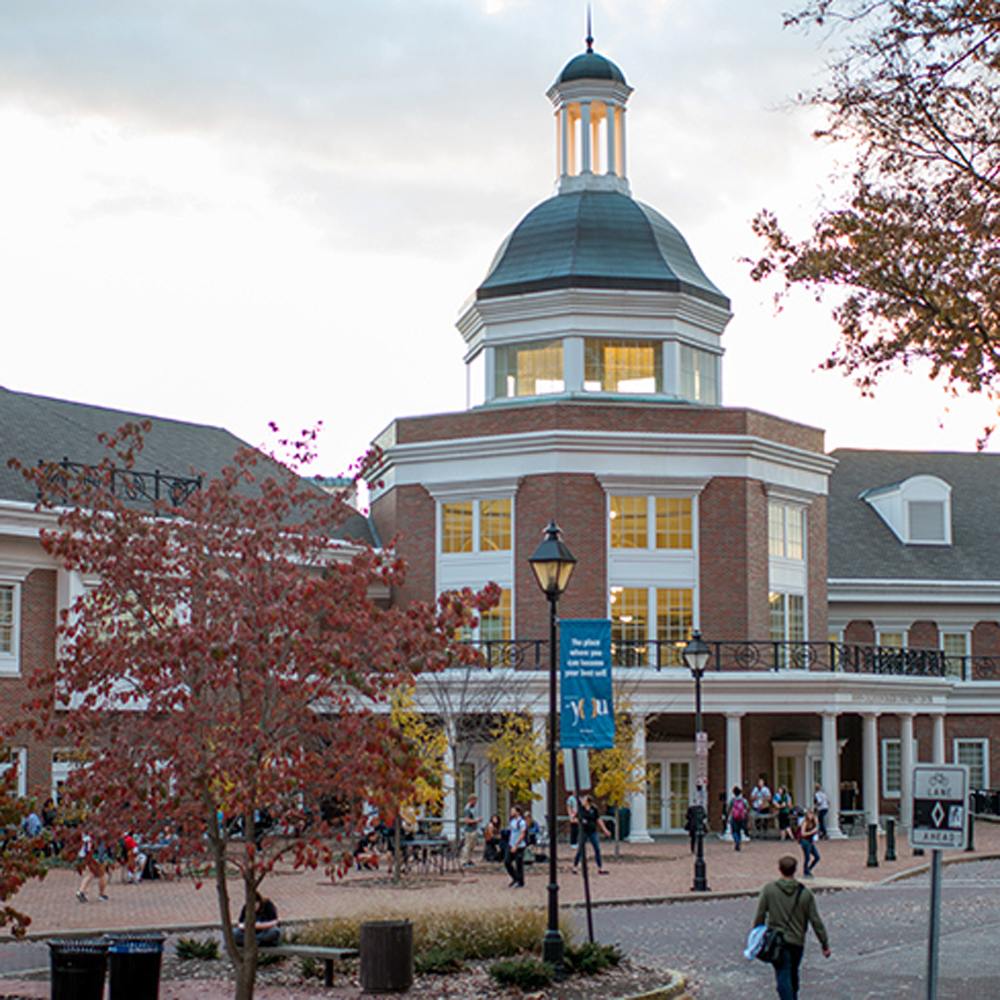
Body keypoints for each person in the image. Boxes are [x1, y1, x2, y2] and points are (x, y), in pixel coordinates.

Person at [753, 855, 831, 1000]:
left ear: (779, 869)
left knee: (783, 975)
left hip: (777, 941)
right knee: (792, 973)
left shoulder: (769, 890)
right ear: (795, 870)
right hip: (797, 942)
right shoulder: (805, 893)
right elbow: (816, 921)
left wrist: (756, 938)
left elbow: (760, 916)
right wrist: (824, 943)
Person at [572, 794, 610, 874]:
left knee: (597, 849)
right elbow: (574, 819)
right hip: (584, 832)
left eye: (584, 800)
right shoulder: (581, 809)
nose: (583, 801)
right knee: (581, 849)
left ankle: (600, 868)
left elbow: (598, 820)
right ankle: (575, 867)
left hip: (593, 832)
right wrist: (581, 821)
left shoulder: (594, 809)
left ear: (588, 801)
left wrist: (605, 830)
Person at [76, 832, 110, 902]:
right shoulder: (93, 842)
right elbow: (91, 852)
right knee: (102, 875)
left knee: (90, 875)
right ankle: (101, 894)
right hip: (95, 860)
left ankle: (81, 891)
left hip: (88, 859)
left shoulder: (88, 840)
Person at [504, 805, 527, 888]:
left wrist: (516, 845)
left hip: (519, 846)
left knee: (519, 864)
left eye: (513, 811)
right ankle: (515, 877)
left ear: (517, 812)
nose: (511, 813)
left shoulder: (521, 822)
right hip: (511, 844)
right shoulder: (512, 821)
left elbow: (522, 835)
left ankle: (521, 881)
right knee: (507, 862)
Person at [797, 809, 821, 877]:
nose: (811, 816)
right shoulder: (805, 823)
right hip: (805, 841)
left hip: (810, 841)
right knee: (807, 857)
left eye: (812, 814)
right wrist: (812, 832)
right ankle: (806, 872)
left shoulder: (814, 823)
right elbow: (803, 834)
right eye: (809, 815)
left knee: (817, 857)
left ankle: (808, 870)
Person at [460, 794, 481, 866]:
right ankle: (464, 860)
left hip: (474, 829)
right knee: (467, 846)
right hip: (469, 830)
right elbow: (467, 821)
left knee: (472, 846)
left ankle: (469, 859)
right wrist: (476, 820)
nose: (475, 802)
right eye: (475, 801)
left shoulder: (473, 808)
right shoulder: (467, 809)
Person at [728, 786, 748, 850]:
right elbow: (747, 808)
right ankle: (739, 841)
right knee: (739, 831)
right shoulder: (744, 800)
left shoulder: (732, 800)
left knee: (734, 831)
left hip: (734, 817)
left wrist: (728, 816)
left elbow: (728, 808)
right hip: (742, 817)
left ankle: (737, 841)